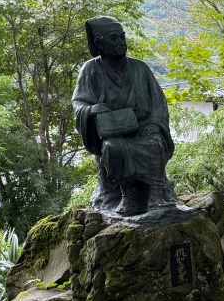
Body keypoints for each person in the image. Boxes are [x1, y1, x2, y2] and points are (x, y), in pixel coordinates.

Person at [72, 16, 177, 216]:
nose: (121, 42)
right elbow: (79, 102)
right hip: (115, 133)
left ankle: (156, 194)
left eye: (122, 37)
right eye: (114, 38)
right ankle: (127, 196)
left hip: (144, 129)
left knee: (155, 142)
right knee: (112, 148)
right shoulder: (90, 70)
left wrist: (154, 124)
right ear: (99, 44)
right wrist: (92, 110)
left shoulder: (140, 68)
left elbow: (159, 103)